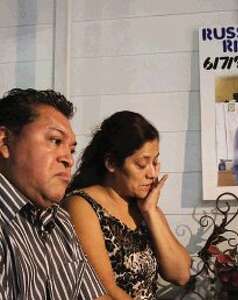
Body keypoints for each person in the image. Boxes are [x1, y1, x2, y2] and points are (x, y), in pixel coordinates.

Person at [64, 111, 191, 300]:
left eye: (155, 161)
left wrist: (151, 212)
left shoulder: (144, 207)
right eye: (142, 164)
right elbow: (104, 290)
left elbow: (180, 275)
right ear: (111, 163)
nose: (152, 173)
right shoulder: (81, 205)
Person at [0, 88, 111, 299]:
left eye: (71, 150)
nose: (68, 159)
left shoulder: (59, 221)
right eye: (55, 141)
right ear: (5, 142)